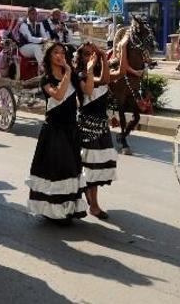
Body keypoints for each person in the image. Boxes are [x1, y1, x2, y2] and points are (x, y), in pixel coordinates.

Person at [26, 42, 87, 222]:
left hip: (71, 129)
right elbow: (59, 95)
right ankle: (53, 211)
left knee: (70, 169)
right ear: (49, 57)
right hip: (54, 130)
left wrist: (90, 69)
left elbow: (89, 90)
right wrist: (68, 72)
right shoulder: (46, 79)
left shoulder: (72, 75)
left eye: (62, 52)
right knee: (57, 170)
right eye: (56, 53)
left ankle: (67, 209)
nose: (60, 56)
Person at [75, 43, 116, 219]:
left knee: (97, 167)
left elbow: (107, 78)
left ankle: (93, 203)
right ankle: (94, 205)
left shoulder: (98, 71)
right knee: (88, 167)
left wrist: (104, 57)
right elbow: (98, 84)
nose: (90, 57)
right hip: (87, 125)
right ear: (80, 57)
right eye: (86, 54)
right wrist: (91, 69)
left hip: (101, 126)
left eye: (92, 54)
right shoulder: (80, 75)